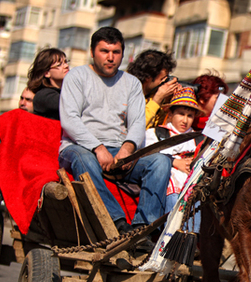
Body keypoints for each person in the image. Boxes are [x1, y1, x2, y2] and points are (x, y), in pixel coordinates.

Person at [58, 27, 171, 246]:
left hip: (119, 150)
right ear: (93, 52)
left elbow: (137, 122)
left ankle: (142, 230)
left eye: (116, 52)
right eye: (104, 51)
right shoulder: (76, 77)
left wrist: (127, 150)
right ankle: (118, 223)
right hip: (79, 147)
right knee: (85, 159)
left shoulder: (131, 84)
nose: (110, 57)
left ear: (122, 54)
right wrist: (98, 149)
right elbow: (70, 120)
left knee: (160, 161)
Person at [144, 86, 203, 213]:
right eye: (181, 114)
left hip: (194, 188)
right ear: (170, 114)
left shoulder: (200, 139)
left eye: (190, 115)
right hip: (167, 186)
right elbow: (147, 158)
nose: (185, 120)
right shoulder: (156, 133)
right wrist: (174, 162)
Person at [0, 88, 36, 178]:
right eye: (21, 98)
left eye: (28, 100)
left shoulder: (41, 128)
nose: (22, 103)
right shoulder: (5, 124)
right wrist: (3, 164)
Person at [126, 49, 180, 128]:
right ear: (148, 77)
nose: (164, 83)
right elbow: (135, 127)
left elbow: (158, 128)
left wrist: (167, 102)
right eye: (162, 79)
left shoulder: (152, 94)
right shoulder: (126, 92)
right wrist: (157, 100)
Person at [28, 48, 69, 120]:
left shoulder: (66, 91)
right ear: (47, 73)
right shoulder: (43, 95)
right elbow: (69, 104)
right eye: (59, 65)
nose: (66, 66)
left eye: (65, 62)